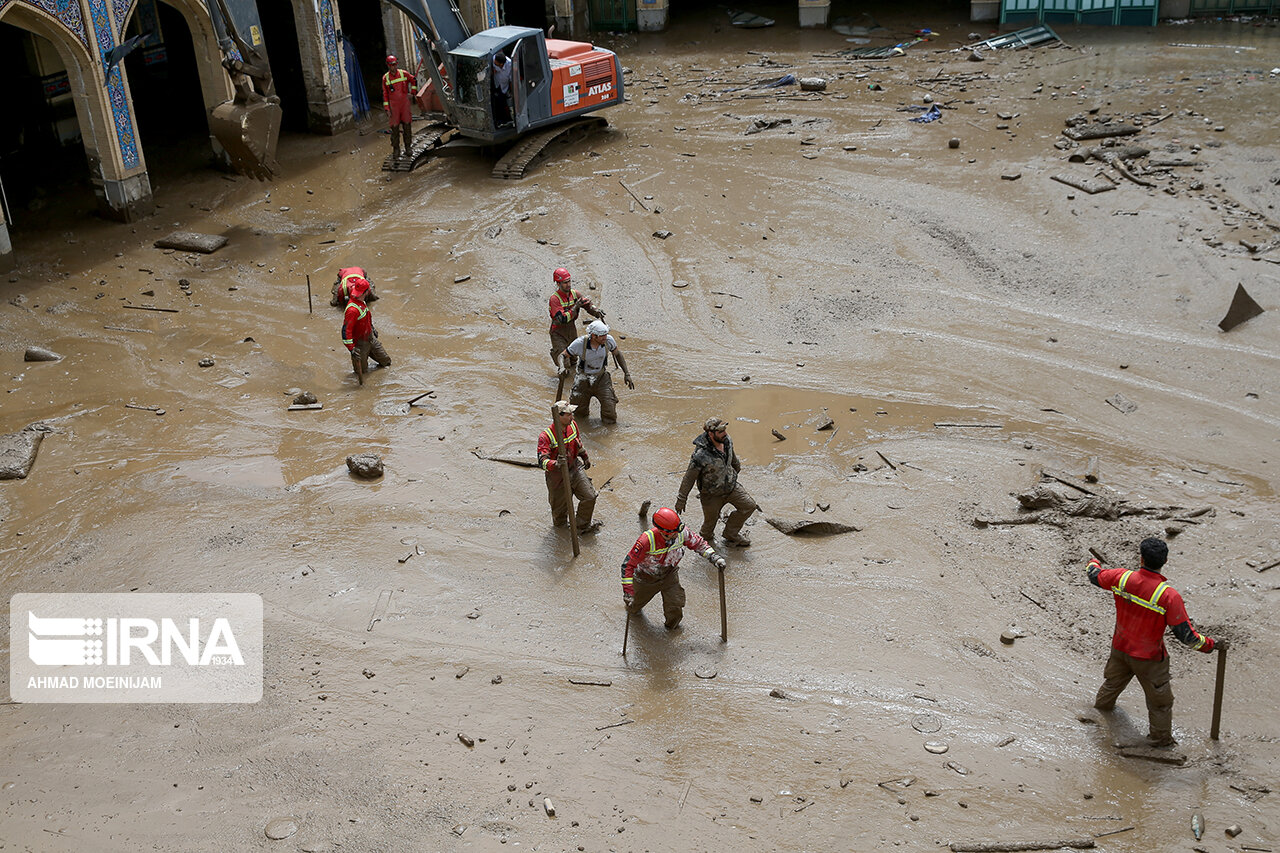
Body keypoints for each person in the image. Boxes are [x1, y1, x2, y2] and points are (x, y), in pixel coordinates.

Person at [1088, 538, 1224, 748]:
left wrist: (1093, 563)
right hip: (1149, 659)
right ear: (1165, 560)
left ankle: (1101, 712)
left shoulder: (1121, 578)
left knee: (1112, 684)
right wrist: (1211, 644)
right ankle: (1161, 741)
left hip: (1120, 648)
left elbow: (1094, 577)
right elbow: (1188, 637)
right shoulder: (1168, 596)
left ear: (1141, 558)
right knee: (1160, 704)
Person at [621, 507, 726, 629]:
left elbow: (698, 543)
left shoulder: (681, 532)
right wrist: (628, 592)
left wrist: (714, 557)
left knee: (676, 604)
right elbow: (628, 565)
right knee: (634, 607)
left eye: (677, 531)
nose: (676, 535)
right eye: (672, 533)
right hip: (646, 578)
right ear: (662, 531)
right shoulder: (646, 541)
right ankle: (634, 614)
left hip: (669, 575)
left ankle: (672, 628)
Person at [675, 417, 758, 546]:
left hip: (731, 487)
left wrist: (735, 471)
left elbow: (733, 459)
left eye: (725, 430)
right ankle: (705, 548)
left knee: (749, 506)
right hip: (711, 494)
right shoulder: (700, 455)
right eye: (720, 431)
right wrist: (681, 499)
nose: (724, 433)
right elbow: (689, 477)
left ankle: (731, 533)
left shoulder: (727, 440)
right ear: (711, 433)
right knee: (709, 527)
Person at [536, 400, 599, 534]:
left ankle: (580, 527)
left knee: (590, 496)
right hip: (557, 476)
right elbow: (542, 462)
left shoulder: (573, 426)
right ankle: (562, 537)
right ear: (559, 416)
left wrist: (585, 456)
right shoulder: (546, 436)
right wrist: (556, 463)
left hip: (574, 468)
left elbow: (578, 443)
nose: (572, 417)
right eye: (569, 414)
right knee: (559, 517)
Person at [565, 320, 633, 424]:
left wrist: (626, 373)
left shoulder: (608, 341)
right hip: (583, 379)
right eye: (601, 336)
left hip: (601, 378)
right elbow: (563, 355)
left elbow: (617, 354)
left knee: (609, 412)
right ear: (593, 336)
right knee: (579, 413)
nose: (604, 338)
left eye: (606, 335)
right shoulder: (580, 343)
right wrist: (562, 367)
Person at [547, 267, 604, 373]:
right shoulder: (554, 299)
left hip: (571, 330)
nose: (568, 284)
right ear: (558, 284)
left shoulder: (574, 294)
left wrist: (596, 311)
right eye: (565, 282)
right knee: (565, 362)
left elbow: (587, 304)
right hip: (558, 332)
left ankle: (572, 375)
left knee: (574, 359)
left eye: (569, 281)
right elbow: (562, 319)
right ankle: (557, 354)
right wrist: (576, 306)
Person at [341, 277, 391, 378]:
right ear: (367, 291)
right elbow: (346, 331)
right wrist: (351, 349)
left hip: (370, 338)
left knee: (386, 362)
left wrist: (372, 328)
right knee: (361, 373)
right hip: (360, 344)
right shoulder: (352, 310)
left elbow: (367, 317)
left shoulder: (362, 302)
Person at [381, 55, 417, 161]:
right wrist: (387, 108)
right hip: (394, 107)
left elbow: (413, 80)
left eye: (394, 64)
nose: (393, 67)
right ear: (388, 66)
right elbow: (385, 94)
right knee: (395, 129)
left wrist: (413, 92)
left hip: (404, 104)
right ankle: (396, 149)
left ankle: (408, 147)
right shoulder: (385, 78)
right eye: (391, 65)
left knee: (407, 126)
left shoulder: (403, 73)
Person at [492, 52, 513, 125]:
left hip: (504, 86)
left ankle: (504, 120)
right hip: (495, 84)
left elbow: (511, 80)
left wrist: (511, 91)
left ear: (501, 64)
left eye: (496, 63)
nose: (494, 63)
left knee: (502, 103)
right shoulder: (493, 59)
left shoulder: (510, 65)